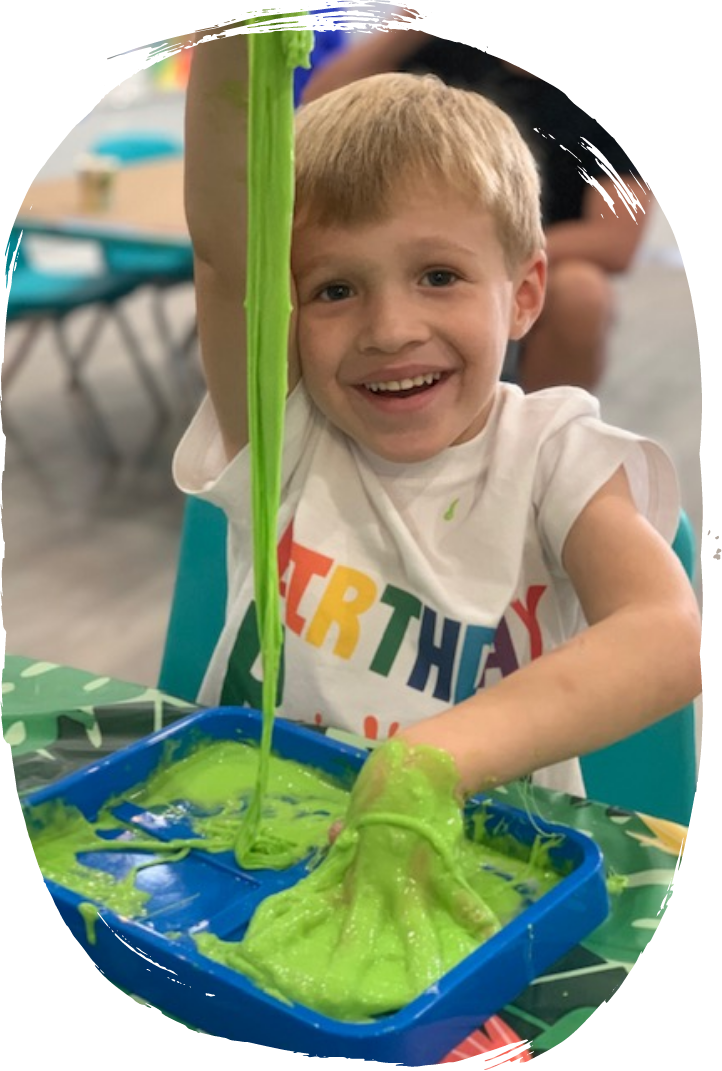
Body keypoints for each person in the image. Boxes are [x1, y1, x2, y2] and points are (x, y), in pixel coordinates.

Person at [176, 27, 701, 803]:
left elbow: (667, 634)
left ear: (523, 295)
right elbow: (228, 251)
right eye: (334, 290)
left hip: (491, 867)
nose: (391, 330)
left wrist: (431, 758)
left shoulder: (556, 458)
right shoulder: (284, 430)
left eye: (439, 275)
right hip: (243, 847)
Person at [302, 31, 651, 394]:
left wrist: (475, 252)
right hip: (402, 244)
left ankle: (542, 436)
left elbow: (614, 241)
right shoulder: (442, 52)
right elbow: (318, 111)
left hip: (530, 252)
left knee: (582, 293)